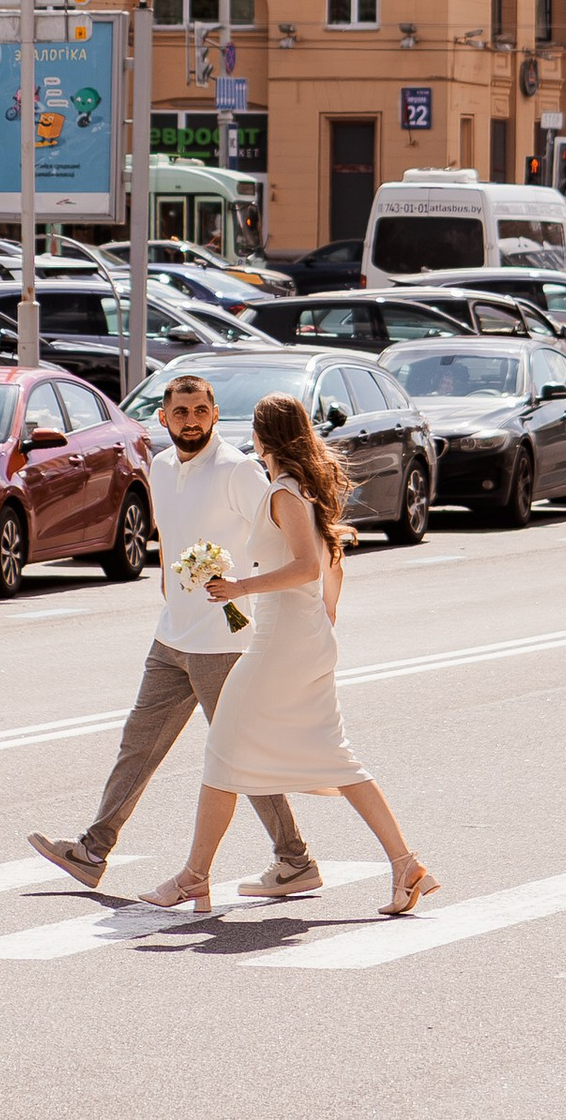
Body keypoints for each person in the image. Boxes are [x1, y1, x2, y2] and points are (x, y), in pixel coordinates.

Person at [140, 391, 438, 922]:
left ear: (262, 438)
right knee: (332, 754)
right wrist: (324, 618)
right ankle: (406, 864)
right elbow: (330, 567)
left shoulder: (283, 492)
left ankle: (194, 877)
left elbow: (306, 566)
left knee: (225, 749)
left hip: (280, 642)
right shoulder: (300, 488)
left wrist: (239, 587)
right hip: (301, 636)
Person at [28, 370, 321, 901]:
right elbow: (168, 539)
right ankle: (92, 851)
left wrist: (245, 591)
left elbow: (284, 538)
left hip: (223, 642)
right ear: (163, 417)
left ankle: (295, 859)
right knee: (138, 742)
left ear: (215, 415)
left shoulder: (239, 470)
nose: (191, 421)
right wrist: (171, 592)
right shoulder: (160, 466)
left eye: (201, 411)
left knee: (239, 753)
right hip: (172, 637)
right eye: (181, 412)